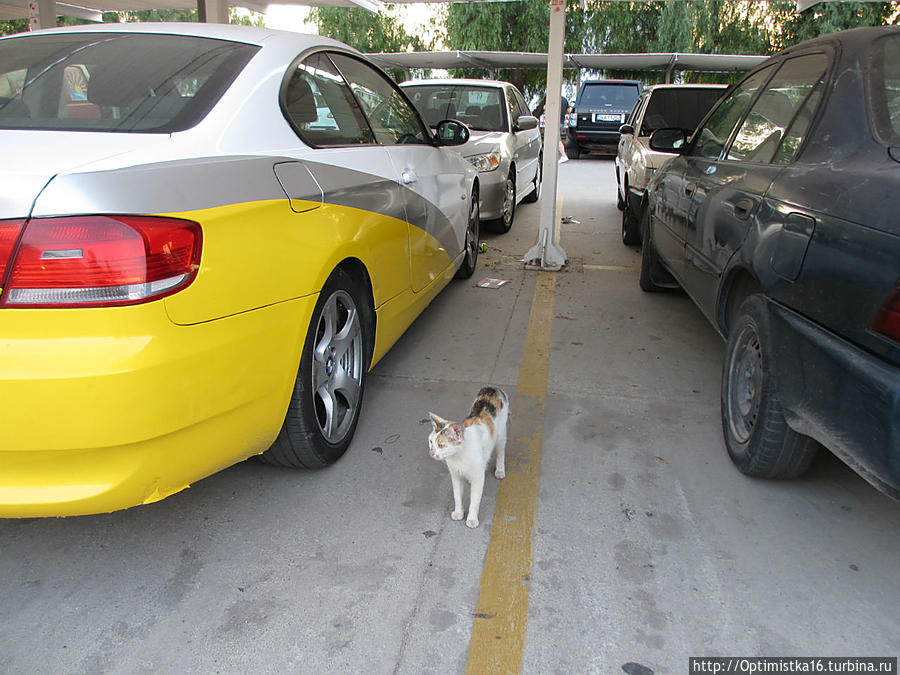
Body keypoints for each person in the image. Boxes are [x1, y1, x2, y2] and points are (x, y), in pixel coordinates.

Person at [558, 96, 570, 163]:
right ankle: (560, 155)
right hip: (562, 121)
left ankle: (564, 155)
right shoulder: (565, 100)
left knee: (557, 140)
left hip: (555, 122)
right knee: (557, 139)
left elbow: (545, 107)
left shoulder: (553, 98)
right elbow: (568, 111)